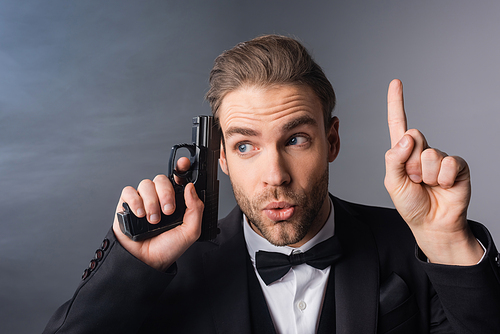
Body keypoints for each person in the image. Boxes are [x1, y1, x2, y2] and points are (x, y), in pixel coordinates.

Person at [44, 35, 500, 334]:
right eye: (245, 146)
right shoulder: (171, 272)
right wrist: (131, 266)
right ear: (220, 157)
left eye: (296, 138)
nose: (276, 175)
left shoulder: (415, 247)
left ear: (332, 140)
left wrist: (450, 245)